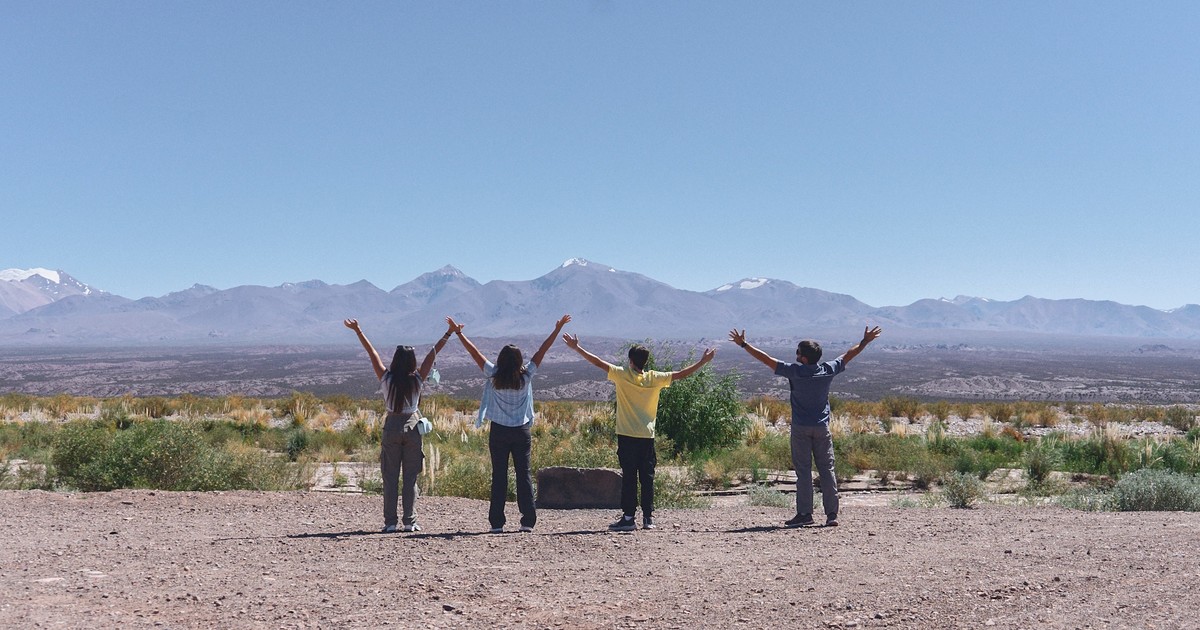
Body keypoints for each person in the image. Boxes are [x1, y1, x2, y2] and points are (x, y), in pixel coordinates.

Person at [728, 325, 883, 527]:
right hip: (822, 428)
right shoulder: (827, 370)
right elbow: (848, 355)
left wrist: (744, 345)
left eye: (798, 353)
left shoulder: (794, 372)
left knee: (803, 471)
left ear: (804, 358)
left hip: (801, 428)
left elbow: (766, 359)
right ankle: (831, 515)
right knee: (827, 470)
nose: (796, 355)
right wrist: (865, 341)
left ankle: (805, 514)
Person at [562, 334, 715, 531]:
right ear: (645, 362)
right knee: (647, 477)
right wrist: (702, 361)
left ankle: (628, 518)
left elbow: (598, 362)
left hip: (627, 436)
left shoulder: (622, 374)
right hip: (646, 436)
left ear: (631, 360)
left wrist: (577, 348)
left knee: (629, 477)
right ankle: (648, 517)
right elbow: (681, 374)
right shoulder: (655, 378)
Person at [446, 314, 572, 533]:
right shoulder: (526, 377)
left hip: (499, 432)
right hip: (521, 431)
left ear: (501, 360)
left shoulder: (493, 375)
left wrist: (459, 333)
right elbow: (542, 351)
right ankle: (527, 521)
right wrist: (557, 329)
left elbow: (474, 353)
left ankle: (497, 522)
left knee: (499, 475)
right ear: (519, 360)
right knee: (524, 474)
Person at [344, 318, 454, 533]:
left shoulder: (386, 378)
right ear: (413, 361)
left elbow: (372, 353)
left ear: (395, 360)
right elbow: (433, 354)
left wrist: (358, 330)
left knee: (390, 476)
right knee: (410, 477)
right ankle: (409, 522)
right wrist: (448, 333)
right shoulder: (418, 379)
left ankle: (390, 522)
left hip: (391, 425)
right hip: (412, 426)